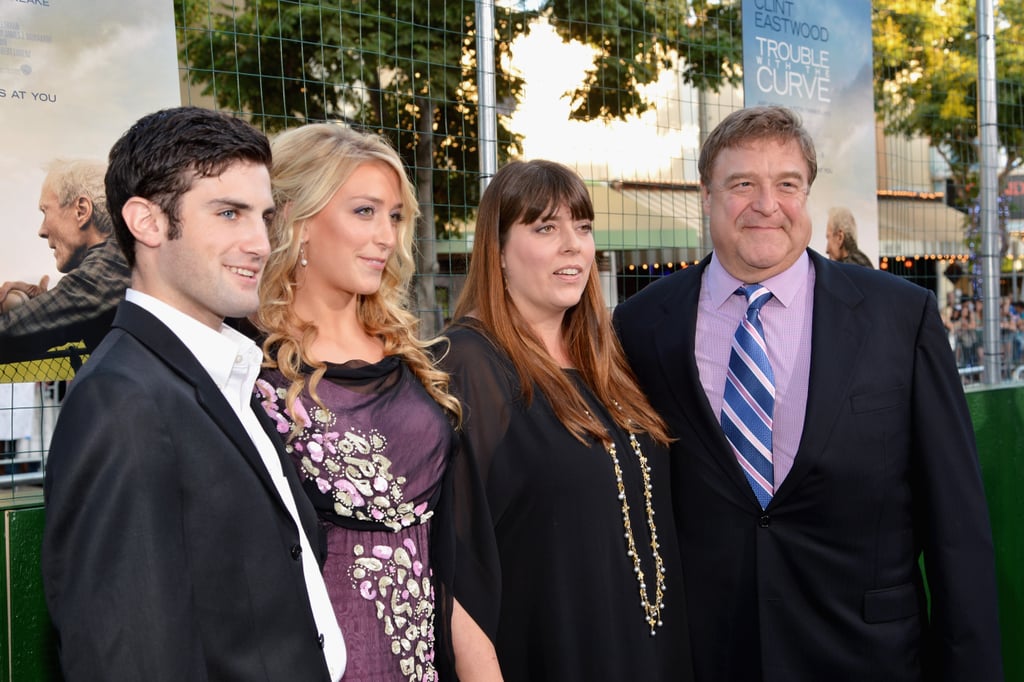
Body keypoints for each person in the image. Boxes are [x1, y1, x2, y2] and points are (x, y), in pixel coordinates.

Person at [613, 105, 1002, 681]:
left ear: (808, 194)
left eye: (786, 185)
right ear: (706, 194)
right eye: (742, 183)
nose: (766, 204)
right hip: (707, 655)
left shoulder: (900, 317)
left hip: (868, 658)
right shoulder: (640, 327)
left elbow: (957, 528)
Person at [42, 106, 346, 682]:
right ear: (147, 222)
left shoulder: (228, 375)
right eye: (229, 213)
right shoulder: (121, 403)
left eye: (263, 217)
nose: (259, 243)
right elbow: (128, 658)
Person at [439, 159, 692, 681]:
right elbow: (451, 561)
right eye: (545, 228)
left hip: (649, 653)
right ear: (498, 252)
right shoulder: (467, 361)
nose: (573, 244)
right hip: (553, 653)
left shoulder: (607, 358)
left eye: (582, 227)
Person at [252, 122, 462, 681]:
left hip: (431, 646)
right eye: (365, 211)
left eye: (393, 217)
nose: (387, 237)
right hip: (322, 652)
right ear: (297, 220)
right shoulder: (252, 369)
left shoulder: (410, 351)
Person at [0, 159, 130, 364]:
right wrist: (43, 304)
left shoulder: (109, 269)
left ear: (81, 210)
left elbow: (8, 335)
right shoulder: (120, 260)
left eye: (45, 211)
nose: (41, 231)